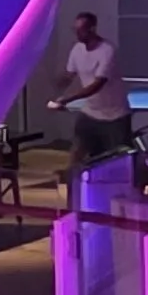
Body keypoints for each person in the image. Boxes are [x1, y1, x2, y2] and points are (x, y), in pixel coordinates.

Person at [47, 11, 131, 181]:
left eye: (81, 30)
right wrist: (56, 85)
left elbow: (97, 85)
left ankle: (121, 185)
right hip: (91, 111)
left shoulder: (107, 51)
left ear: (92, 29)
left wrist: (68, 99)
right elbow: (69, 75)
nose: (77, 33)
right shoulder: (77, 49)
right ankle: (71, 175)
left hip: (115, 114)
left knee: (119, 156)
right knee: (79, 145)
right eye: (75, 29)